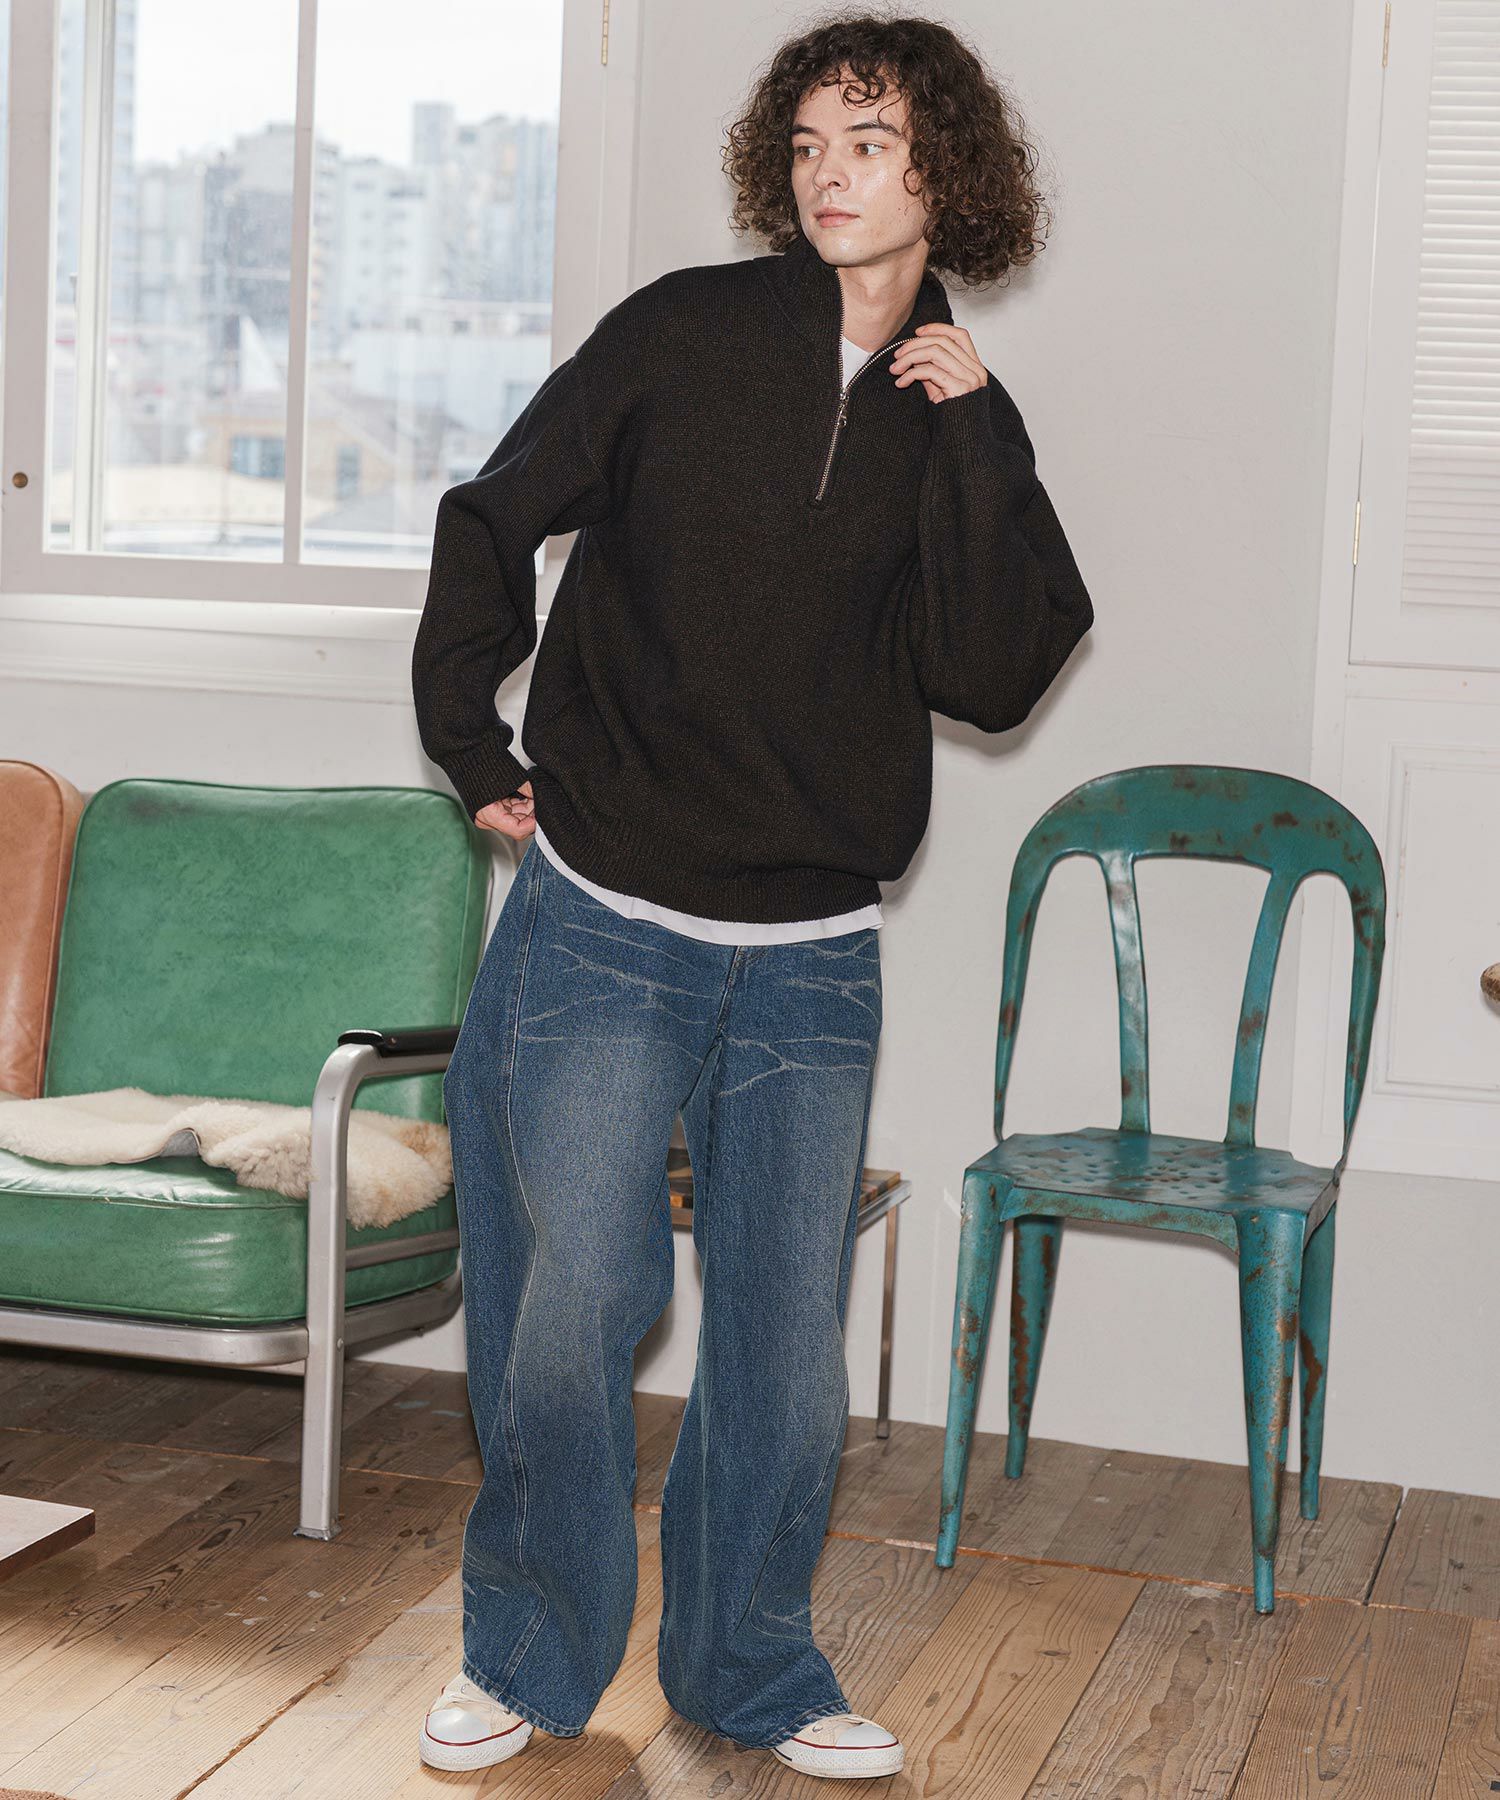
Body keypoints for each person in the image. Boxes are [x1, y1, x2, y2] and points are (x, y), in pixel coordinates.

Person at [409, 13, 1093, 1782]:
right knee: (575, 1302)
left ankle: (751, 1671)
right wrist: (472, 743)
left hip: (810, 955)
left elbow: (997, 669)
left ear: (946, 172)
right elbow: (493, 511)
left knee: (785, 1354)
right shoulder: (684, 335)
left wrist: (983, 438)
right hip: (608, 915)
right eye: (805, 145)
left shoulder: (956, 411)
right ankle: (526, 1656)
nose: (827, 175)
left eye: (868, 142)